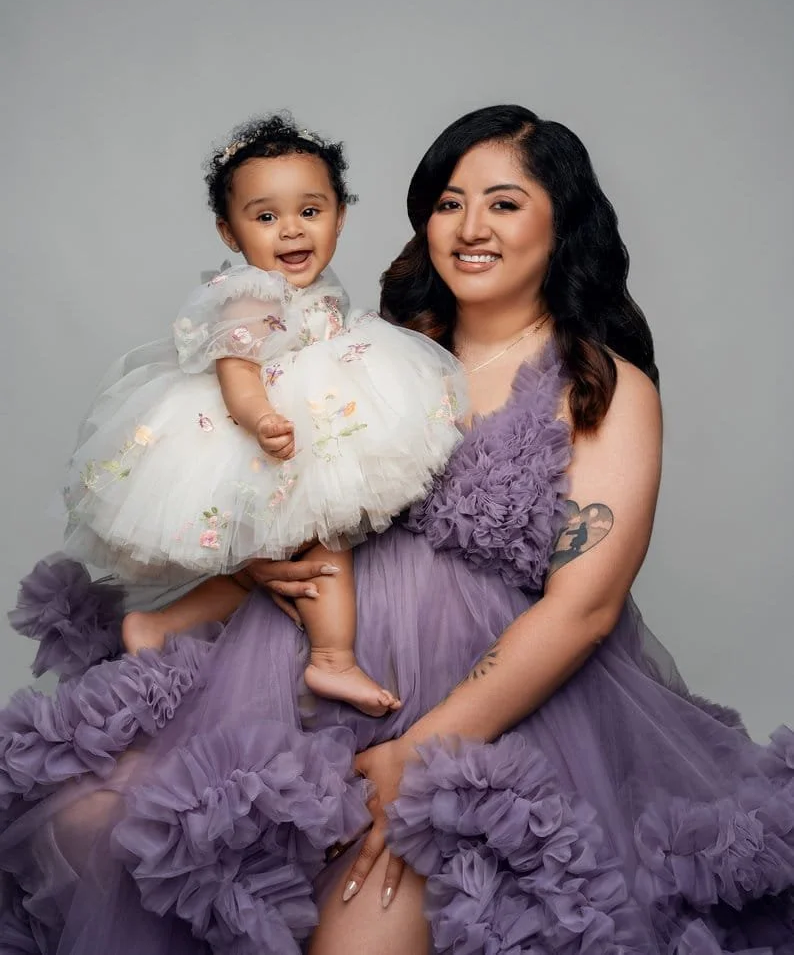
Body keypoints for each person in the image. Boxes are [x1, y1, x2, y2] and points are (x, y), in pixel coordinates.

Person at [3, 104, 794, 955]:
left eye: (504, 202)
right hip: (286, 682)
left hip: (478, 715)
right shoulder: (370, 350)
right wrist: (254, 568)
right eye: (450, 202)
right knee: (100, 823)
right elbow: (268, 492)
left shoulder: (600, 387)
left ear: (561, 223)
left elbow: (584, 611)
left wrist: (417, 753)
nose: (471, 227)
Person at [61, 113, 466, 718]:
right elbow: (237, 373)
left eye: (310, 210)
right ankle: (333, 659)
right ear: (230, 232)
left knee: (267, 566)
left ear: (340, 214)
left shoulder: (308, 286)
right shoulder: (247, 294)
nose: (292, 232)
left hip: (314, 413)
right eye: (266, 217)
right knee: (324, 542)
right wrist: (262, 421)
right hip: (269, 430)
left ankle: (159, 625)